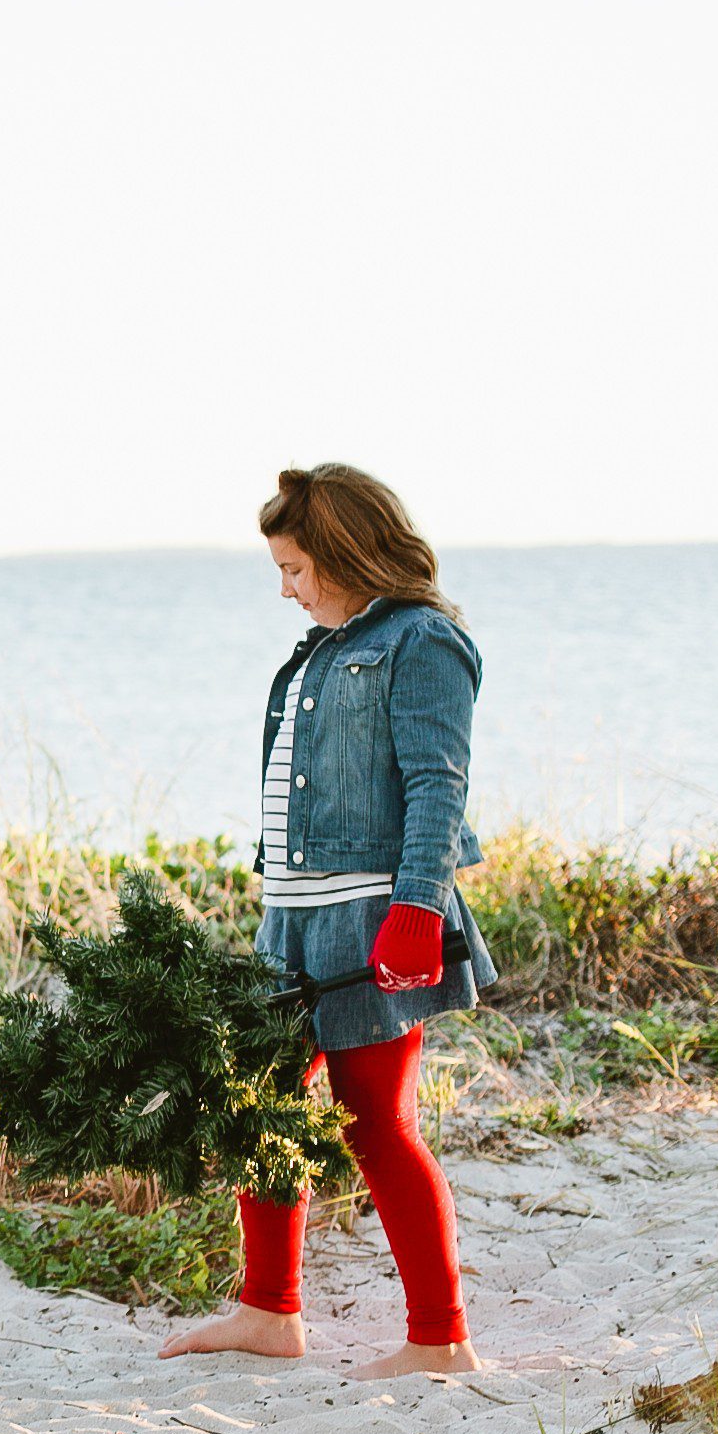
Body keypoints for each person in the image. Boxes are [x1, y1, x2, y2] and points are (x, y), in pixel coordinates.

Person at [162, 465, 500, 1379]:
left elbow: (438, 784)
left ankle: (440, 1338)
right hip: (292, 921)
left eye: (297, 569)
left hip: (371, 918)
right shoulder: (321, 647)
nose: (286, 589)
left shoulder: (422, 642)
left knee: (374, 1124)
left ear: (348, 552)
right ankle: (270, 1312)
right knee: (257, 1112)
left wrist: (416, 910)